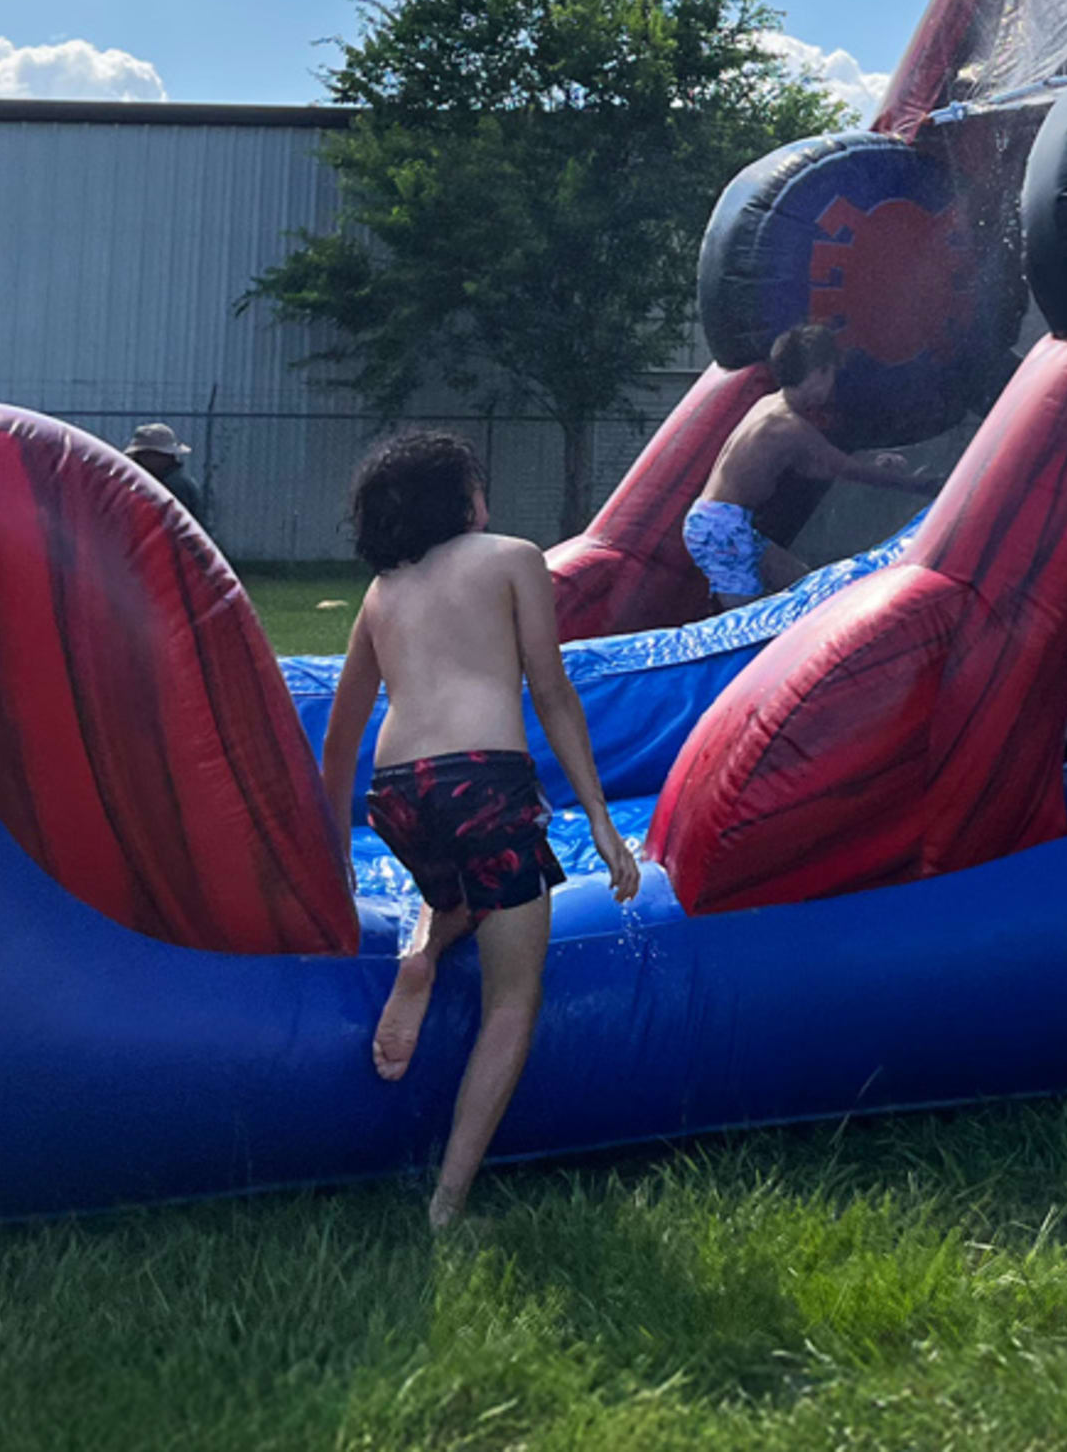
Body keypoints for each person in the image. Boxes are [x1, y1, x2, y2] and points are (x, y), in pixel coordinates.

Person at [318, 428, 638, 1231]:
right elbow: (553, 691)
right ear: (465, 499)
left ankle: (422, 955)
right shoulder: (513, 555)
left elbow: (341, 730)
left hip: (397, 797)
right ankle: (448, 1205)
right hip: (482, 784)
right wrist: (600, 820)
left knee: (464, 889)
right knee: (513, 998)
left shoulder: (382, 592)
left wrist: (332, 844)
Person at [686, 323, 938, 610]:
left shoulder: (769, 405)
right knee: (743, 619)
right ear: (818, 371)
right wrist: (919, 484)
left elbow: (819, 465)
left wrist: (875, 461)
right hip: (721, 525)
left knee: (804, 584)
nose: (831, 389)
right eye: (831, 375)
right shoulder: (787, 427)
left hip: (724, 522)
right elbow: (844, 468)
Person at [123, 422, 207, 530]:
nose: (138, 461)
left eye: (143, 455)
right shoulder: (165, 482)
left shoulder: (174, 486)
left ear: (162, 456)